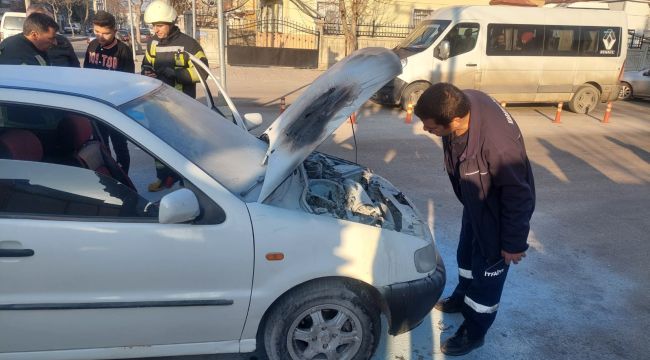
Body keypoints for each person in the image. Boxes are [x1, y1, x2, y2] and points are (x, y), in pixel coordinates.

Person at [414, 83, 535, 356]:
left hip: (499, 214)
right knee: (467, 255)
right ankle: (462, 296)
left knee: (487, 274)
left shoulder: (499, 146)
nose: (425, 131)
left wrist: (513, 243)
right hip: (477, 201)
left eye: (431, 128)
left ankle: (474, 330)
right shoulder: (461, 102)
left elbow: (519, 196)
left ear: (455, 120)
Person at [141, 0, 208, 191]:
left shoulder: (189, 44)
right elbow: (146, 63)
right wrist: (146, 71)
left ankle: (185, 179)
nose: (156, 30)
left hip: (182, 104)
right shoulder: (153, 43)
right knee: (159, 141)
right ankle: (162, 177)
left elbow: (202, 73)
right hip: (157, 102)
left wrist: (176, 74)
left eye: (160, 25)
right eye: (154, 26)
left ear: (170, 23)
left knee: (183, 142)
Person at [83, 10, 135, 173]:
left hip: (115, 107)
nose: (100, 36)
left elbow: (128, 82)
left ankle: (123, 177)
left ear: (114, 31)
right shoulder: (92, 46)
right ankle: (109, 175)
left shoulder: (123, 50)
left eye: (106, 33)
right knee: (101, 144)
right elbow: (86, 74)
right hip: (96, 106)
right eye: (97, 32)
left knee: (120, 144)